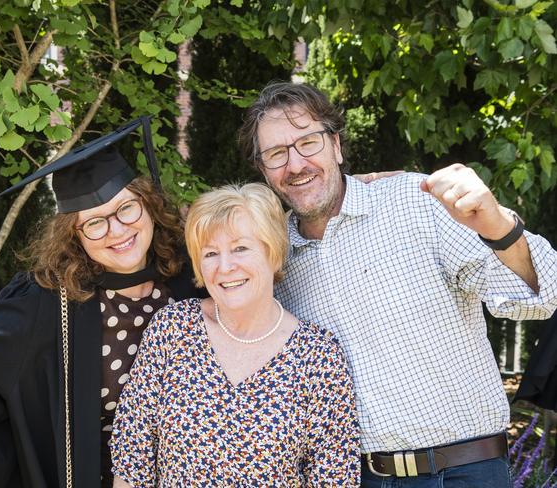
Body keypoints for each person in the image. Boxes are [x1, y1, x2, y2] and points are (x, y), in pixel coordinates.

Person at [237, 82, 557, 487]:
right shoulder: (274, 256)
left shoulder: (415, 202)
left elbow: (538, 297)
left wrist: (498, 227)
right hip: (357, 478)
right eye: (276, 154)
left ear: (336, 145)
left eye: (308, 143)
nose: (295, 164)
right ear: (263, 169)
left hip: (463, 472)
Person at [0, 117, 203, 487]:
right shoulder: (47, 303)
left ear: (149, 205)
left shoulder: (192, 278)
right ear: (73, 235)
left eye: (127, 208)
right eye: (95, 222)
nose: (118, 229)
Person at [110, 183, 361, 486]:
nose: (225, 267)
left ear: (273, 252)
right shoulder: (173, 328)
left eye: (241, 248)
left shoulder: (317, 355)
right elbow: (131, 455)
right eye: (211, 253)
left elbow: (334, 478)